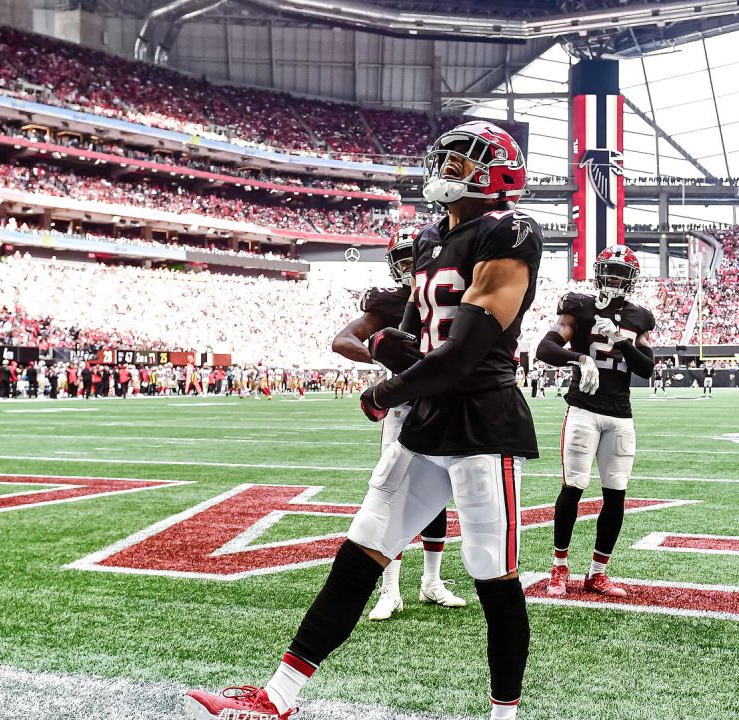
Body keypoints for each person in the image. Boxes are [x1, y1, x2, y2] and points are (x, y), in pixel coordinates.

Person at [186, 120, 539, 720]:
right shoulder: (430, 239)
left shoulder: (510, 231)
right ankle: (277, 697)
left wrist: (387, 390)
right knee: (361, 550)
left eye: (461, 163)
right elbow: (410, 331)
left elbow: (468, 349)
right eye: (446, 161)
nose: (446, 172)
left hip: (482, 420)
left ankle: (503, 718)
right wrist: (388, 347)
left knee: (492, 574)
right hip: (428, 420)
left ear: (496, 172)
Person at [329, 226, 464, 621]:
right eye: (403, 259)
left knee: (437, 493)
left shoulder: (453, 289)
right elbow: (342, 340)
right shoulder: (388, 303)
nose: (411, 267)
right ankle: (389, 590)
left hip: (443, 402)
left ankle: (432, 582)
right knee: (391, 493)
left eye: (415, 257)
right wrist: (383, 358)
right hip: (404, 404)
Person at [535, 245, 657, 599]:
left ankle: (598, 573)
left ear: (632, 280)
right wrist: (578, 359)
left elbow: (646, 369)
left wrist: (622, 340)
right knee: (573, 486)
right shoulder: (579, 305)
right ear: (598, 272)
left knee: (615, 494)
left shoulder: (639, 317)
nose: (615, 280)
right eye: (611, 272)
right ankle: (559, 566)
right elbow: (544, 348)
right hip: (584, 409)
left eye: (622, 274)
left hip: (620, 414)